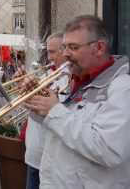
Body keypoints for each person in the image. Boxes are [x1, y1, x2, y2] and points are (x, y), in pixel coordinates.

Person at [23, 15, 130, 188]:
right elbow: (62, 129)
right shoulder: (77, 80)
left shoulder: (122, 89)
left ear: (99, 48)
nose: (65, 54)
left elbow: (108, 150)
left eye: (73, 47)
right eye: (64, 47)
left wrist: (54, 111)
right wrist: (36, 103)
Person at [17, 32, 67, 189]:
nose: (49, 57)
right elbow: (35, 113)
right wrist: (24, 86)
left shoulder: (69, 80)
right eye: (48, 52)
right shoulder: (47, 75)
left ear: (65, 50)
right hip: (35, 151)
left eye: (52, 52)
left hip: (52, 155)